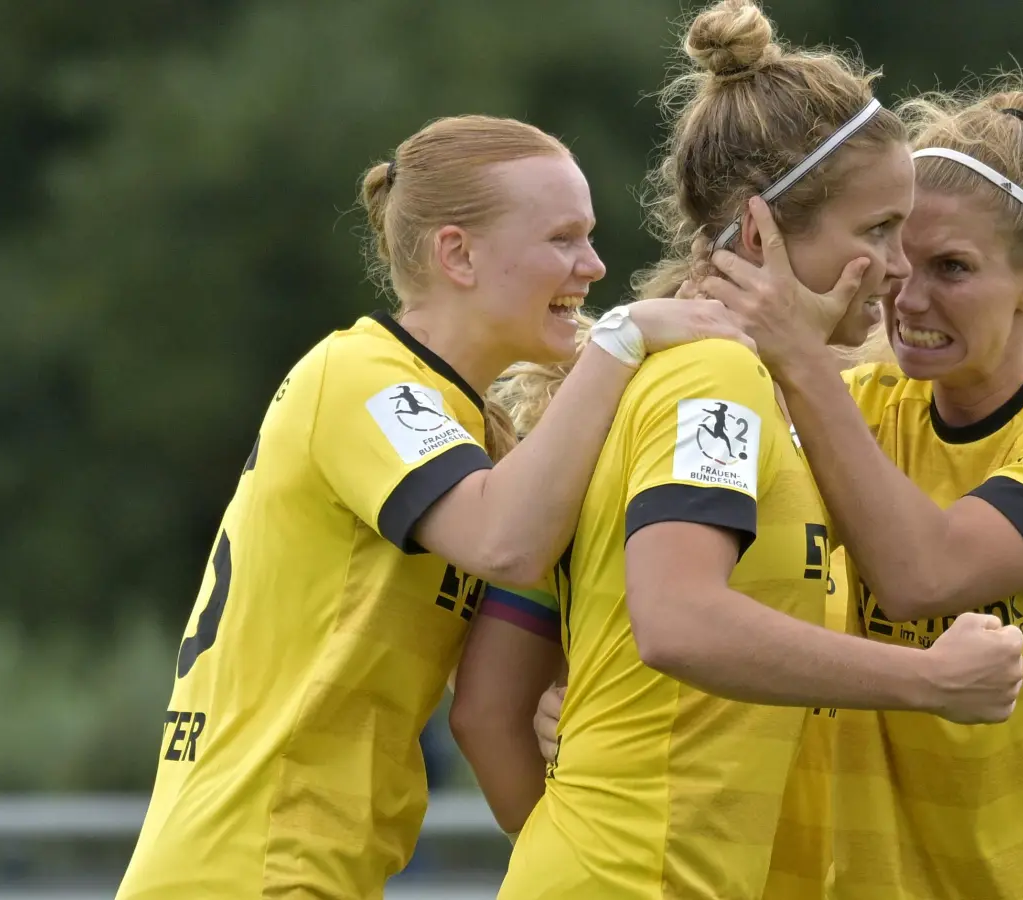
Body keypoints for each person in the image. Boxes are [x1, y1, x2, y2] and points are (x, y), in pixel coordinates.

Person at [461, 4, 1023, 899]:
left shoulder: (705, 379)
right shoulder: (714, 376)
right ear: (761, 232)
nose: (895, 269)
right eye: (876, 230)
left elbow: (491, 710)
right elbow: (679, 619)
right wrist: (929, 680)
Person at [114, 113, 748, 899]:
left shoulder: (477, 432)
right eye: (563, 238)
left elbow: (497, 681)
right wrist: (622, 344)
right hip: (249, 869)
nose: (593, 264)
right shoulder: (360, 374)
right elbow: (503, 540)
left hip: (309, 871)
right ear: (458, 253)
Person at [697, 75, 1023, 898]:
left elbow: (923, 577)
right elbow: (712, 573)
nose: (909, 295)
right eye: (896, 253)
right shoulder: (854, 408)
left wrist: (795, 354)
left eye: (952, 268)